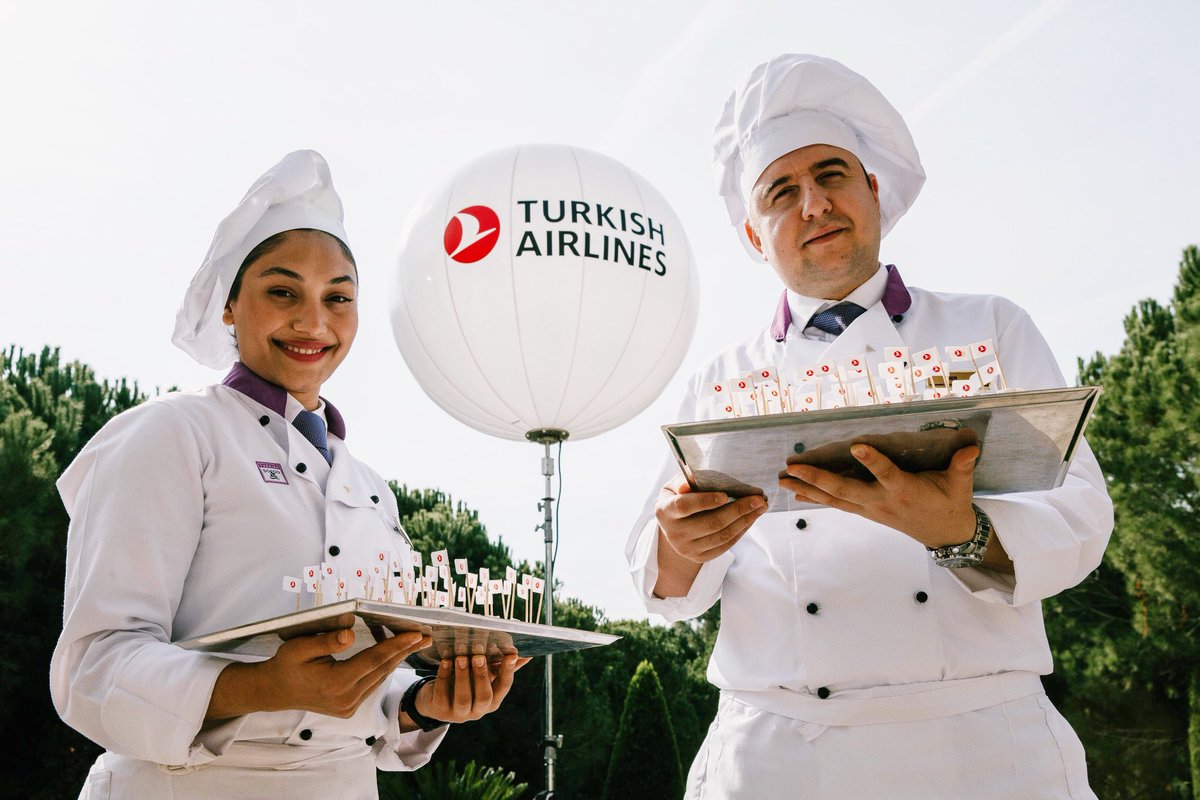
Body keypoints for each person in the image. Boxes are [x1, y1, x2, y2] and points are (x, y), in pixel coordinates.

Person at [626, 55, 1113, 798]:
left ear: (874, 193)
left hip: (981, 751)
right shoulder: (719, 380)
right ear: (756, 238)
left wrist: (962, 533)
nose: (815, 204)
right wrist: (679, 541)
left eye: (832, 175)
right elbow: (664, 586)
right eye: (781, 192)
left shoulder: (989, 326)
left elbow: (1081, 517)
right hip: (779, 757)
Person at [50, 150, 527, 799]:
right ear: (228, 305)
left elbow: (366, 688)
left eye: (338, 298)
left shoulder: (371, 489)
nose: (313, 322)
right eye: (282, 292)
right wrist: (262, 686)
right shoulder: (171, 434)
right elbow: (93, 670)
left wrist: (423, 702)